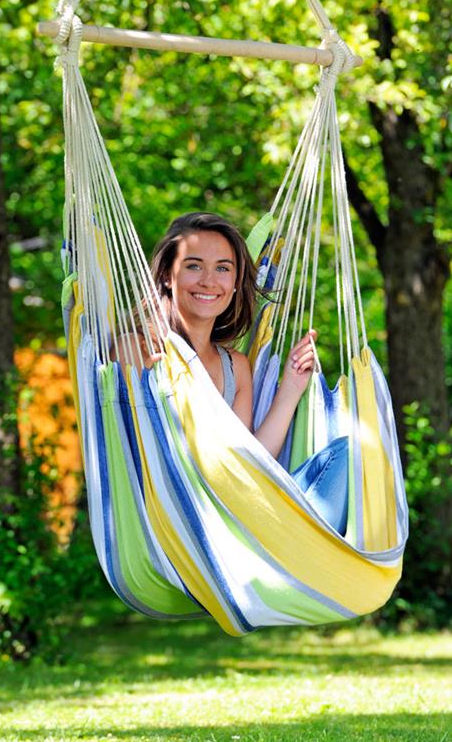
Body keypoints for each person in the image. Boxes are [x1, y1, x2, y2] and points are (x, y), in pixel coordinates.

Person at [116, 212, 348, 533]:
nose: (209, 281)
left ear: (236, 282)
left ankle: (307, 561)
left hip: (237, 516)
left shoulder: (235, 366)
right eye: (194, 266)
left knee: (348, 455)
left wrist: (292, 388)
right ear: (168, 276)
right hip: (178, 523)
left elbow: (250, 459)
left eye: (222, 269)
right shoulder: (138, 348)